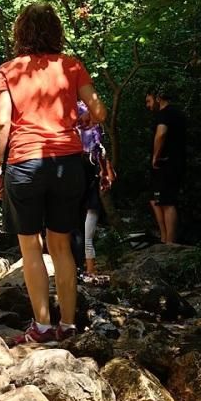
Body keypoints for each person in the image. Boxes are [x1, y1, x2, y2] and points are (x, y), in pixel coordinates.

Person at [0, 3, 107, 344]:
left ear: (20, 33)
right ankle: (68, 324)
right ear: (56, 31)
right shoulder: (71, 66)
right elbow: (98, 109)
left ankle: (41, 327)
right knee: (61, 246)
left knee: (30, 247)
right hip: (67, 164)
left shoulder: (10, 70)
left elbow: (1, 124)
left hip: (25, 163)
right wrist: (84, 120)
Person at [74, 103, 115, 282]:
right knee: (81, 233)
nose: (86, 122)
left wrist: (106, 171)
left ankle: (88, 271)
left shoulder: (92, 148)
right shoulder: (93, 148)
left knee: (83, 233)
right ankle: (87, 271)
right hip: (87, 192)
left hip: (88, 193)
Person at [146, 87, 187, 244]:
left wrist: (156, 156)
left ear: (158, 98)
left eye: (149, 101)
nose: (148, 105)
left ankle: (170, 241)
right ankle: (164, 238)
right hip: (169, 163)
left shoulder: (166, 114)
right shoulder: (175, 113)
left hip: (167, 162)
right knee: (155, 199)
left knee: (167, 201)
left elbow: (161, 133)